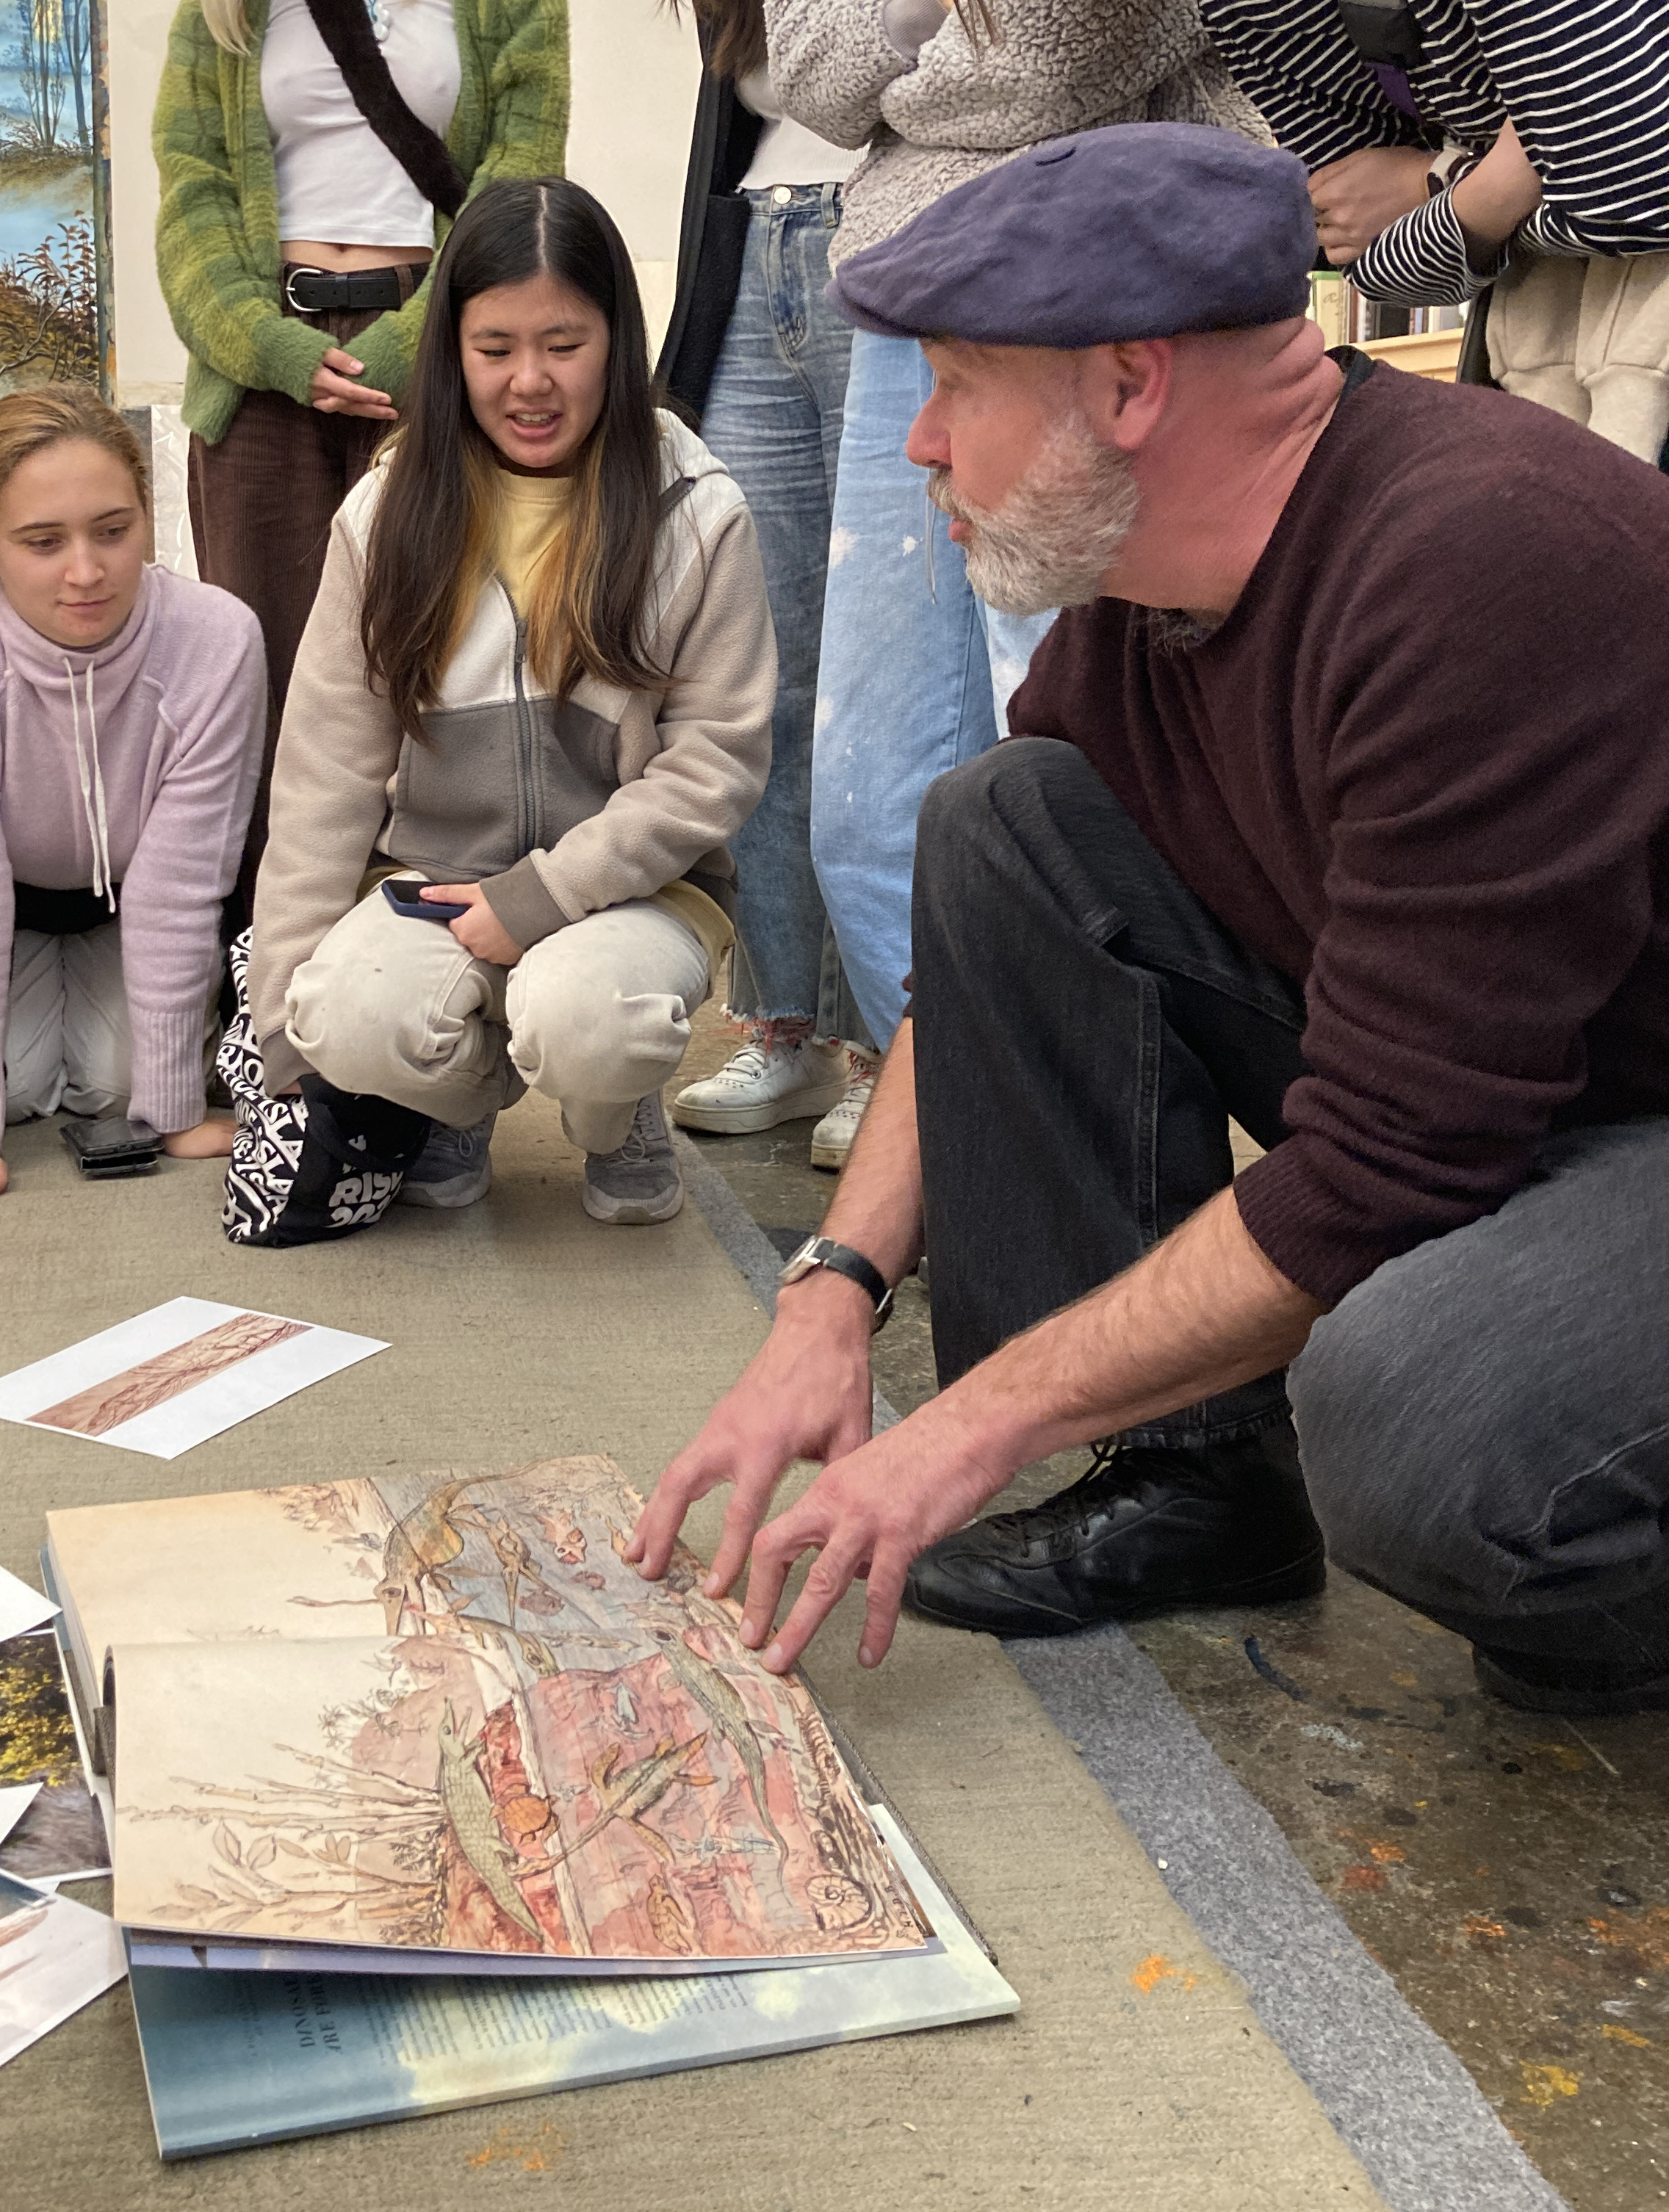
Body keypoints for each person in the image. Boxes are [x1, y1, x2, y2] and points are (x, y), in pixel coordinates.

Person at [627, 124, 1669, 1717]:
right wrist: (832, 1292)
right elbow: (982, 966)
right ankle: (1189, 1492)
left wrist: (961, 1430)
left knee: (1419, 1425)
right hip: (1527, 1098)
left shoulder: (1480, 561)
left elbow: (1383, 1169)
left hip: (1624, 1126)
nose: (921, 447)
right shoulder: (1151, 591)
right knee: (999, 824)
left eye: (959, 387)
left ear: (1127, 388)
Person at [762, 0, 1268, 1167]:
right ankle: (976, 1146)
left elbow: (1064, 58)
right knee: (868, 803)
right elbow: (810, 74)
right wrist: (933, 33)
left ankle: (1099, 1157)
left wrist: (898, 75)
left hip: (1108, 270)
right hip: (902, 290)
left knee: (1089, 774)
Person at [246, 176, 776, 1230]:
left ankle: (615, 1105)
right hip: (435, 883)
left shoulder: (698, 508)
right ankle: (458, 1098)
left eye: (564, 345)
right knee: (339, 1015)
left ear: (618, 340)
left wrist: (536, 900)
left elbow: (714, 763)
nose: (529, 382)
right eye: (494, 350)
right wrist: (280, 1024)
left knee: (590, 1018)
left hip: (634, 893)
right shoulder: (388, 513)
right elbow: (324, 774)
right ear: (452, 351)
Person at [150, 0, 569, 869]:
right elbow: (193, 199)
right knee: (266, 685)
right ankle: (265, 955)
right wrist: (269, 346)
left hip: (441, 369)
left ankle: (423, 936)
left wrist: (410, 346)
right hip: (260, 381)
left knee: (446, 668)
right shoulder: (223, 10)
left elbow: (521, 176)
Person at [0, 386, 264, 1223]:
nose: (86, 572)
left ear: (147, 517)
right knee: (3, 1094)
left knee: (122, 1088)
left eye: (114, 532)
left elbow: (183, 878)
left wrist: (172, 1111)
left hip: (126, 904)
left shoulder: (218, 637)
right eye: (43, 542)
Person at [655, 0, 871, 1147]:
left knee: (893, 682)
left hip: (888, 233)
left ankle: (904, 1047)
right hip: (752, 248)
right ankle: (786, 1027)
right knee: (762, 684)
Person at [1203, 0, 1669, 461]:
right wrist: (1511, 172)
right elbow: (1364, 253)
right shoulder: (1247, 11)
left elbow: (1636, 190)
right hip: (1539, 344)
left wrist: (1435, 181)